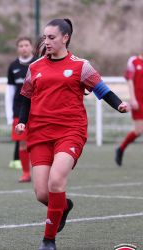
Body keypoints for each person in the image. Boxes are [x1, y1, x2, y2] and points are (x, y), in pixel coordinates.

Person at [15, 19, 129, 250]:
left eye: (52, 37)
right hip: (39, 133)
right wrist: (22, 122)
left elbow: (102, 90)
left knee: (56, 181)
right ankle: (64, 206)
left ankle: (48, 241)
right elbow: (26, 97)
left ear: (65, 38)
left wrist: (118, 105)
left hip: (70, 131)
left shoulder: (80, 66)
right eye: (45, 37)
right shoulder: (34, 67)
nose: (46, 42)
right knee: (41, 193)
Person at [5, 37, 37, 182]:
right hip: (19, 111)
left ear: (31, 47)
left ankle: (43, 172)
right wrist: (9, 115)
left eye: (26, 45)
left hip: (38, 111)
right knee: (23, 142)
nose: (24, 48)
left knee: (40, 142)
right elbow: (10, 92)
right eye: (21, 45)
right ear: (18, 48)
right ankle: (26, 173)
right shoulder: (13, 66)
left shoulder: (39, 63)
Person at [115, 53, 143, 166]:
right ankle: (121, 149)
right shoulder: (134, 61)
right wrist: (133, 98)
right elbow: (129, 79)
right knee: (138, 131)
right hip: (138, 101)